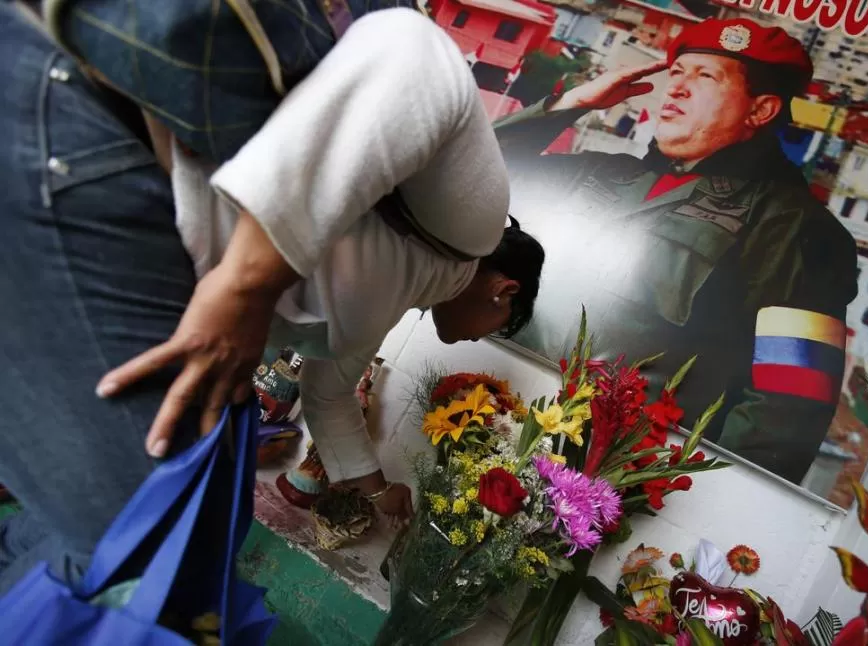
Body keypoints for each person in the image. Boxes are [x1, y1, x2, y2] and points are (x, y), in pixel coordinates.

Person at [0, 2, 542, 595]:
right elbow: (414, 52)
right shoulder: (476, 232)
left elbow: (330, 398)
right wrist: (246, 286)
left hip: (120, 236)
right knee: (155, 555)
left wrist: (377, 490)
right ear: (504, 289)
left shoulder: (407, 287)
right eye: (499, 323)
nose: (475, 337)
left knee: (201, 517)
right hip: (95, 156)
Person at [492, 18, 858, 483]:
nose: (677, 89)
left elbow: (786, 410)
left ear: (761, 109)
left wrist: (681, 501)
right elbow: (469, 169)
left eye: (705, 77)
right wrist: (569, 105)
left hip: (607, 481)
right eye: (677, 73)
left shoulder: (796, 228)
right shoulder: (603, 172)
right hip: (490, 416)